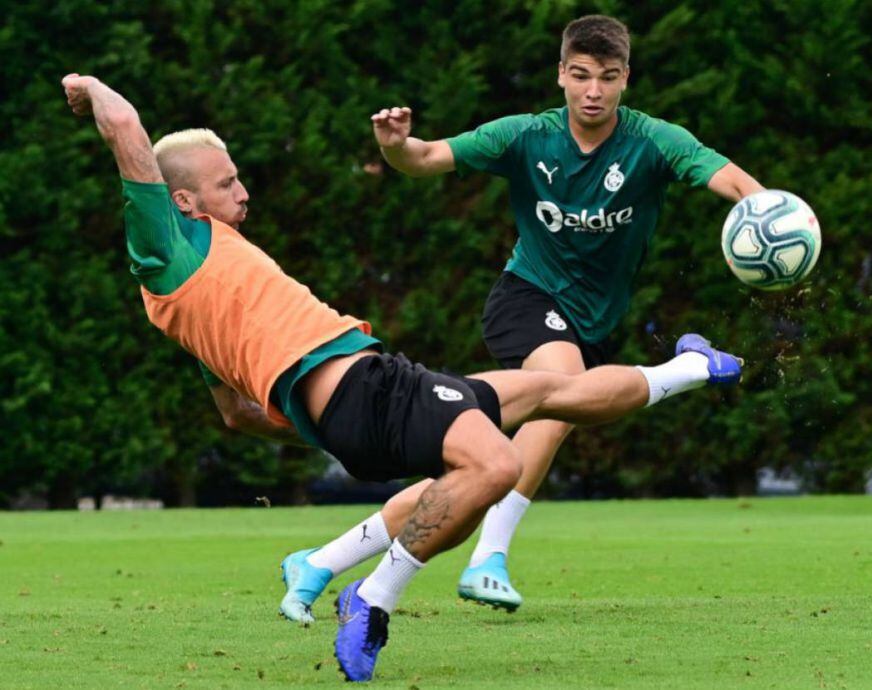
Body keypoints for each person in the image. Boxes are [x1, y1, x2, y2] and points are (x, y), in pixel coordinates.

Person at [62, 72, 742, 682]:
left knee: (545, 393)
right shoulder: (165, 252)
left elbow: (238, 415)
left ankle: (689, 366)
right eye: (226, 183)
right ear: (181, 201)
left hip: (362, 400)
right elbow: (125, 128)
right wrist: (89, 87)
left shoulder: (201, 282)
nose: (244, 189)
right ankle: (373, 597)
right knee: (497, 464)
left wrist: (322, 430)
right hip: (364, 389)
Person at [367, 14, 767, 610]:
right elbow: (425, 159)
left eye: (607, 77)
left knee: (491, 454)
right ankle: (487, 559)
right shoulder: (525, 135)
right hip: (526, 297)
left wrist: (772, 211)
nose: (593, 91)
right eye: (580, 75)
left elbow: (731, 180)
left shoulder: (654, 141)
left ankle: (327, 558)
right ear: (561, 74)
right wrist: (394, 146)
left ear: (626, 78)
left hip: (594, 323)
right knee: (564, 391)